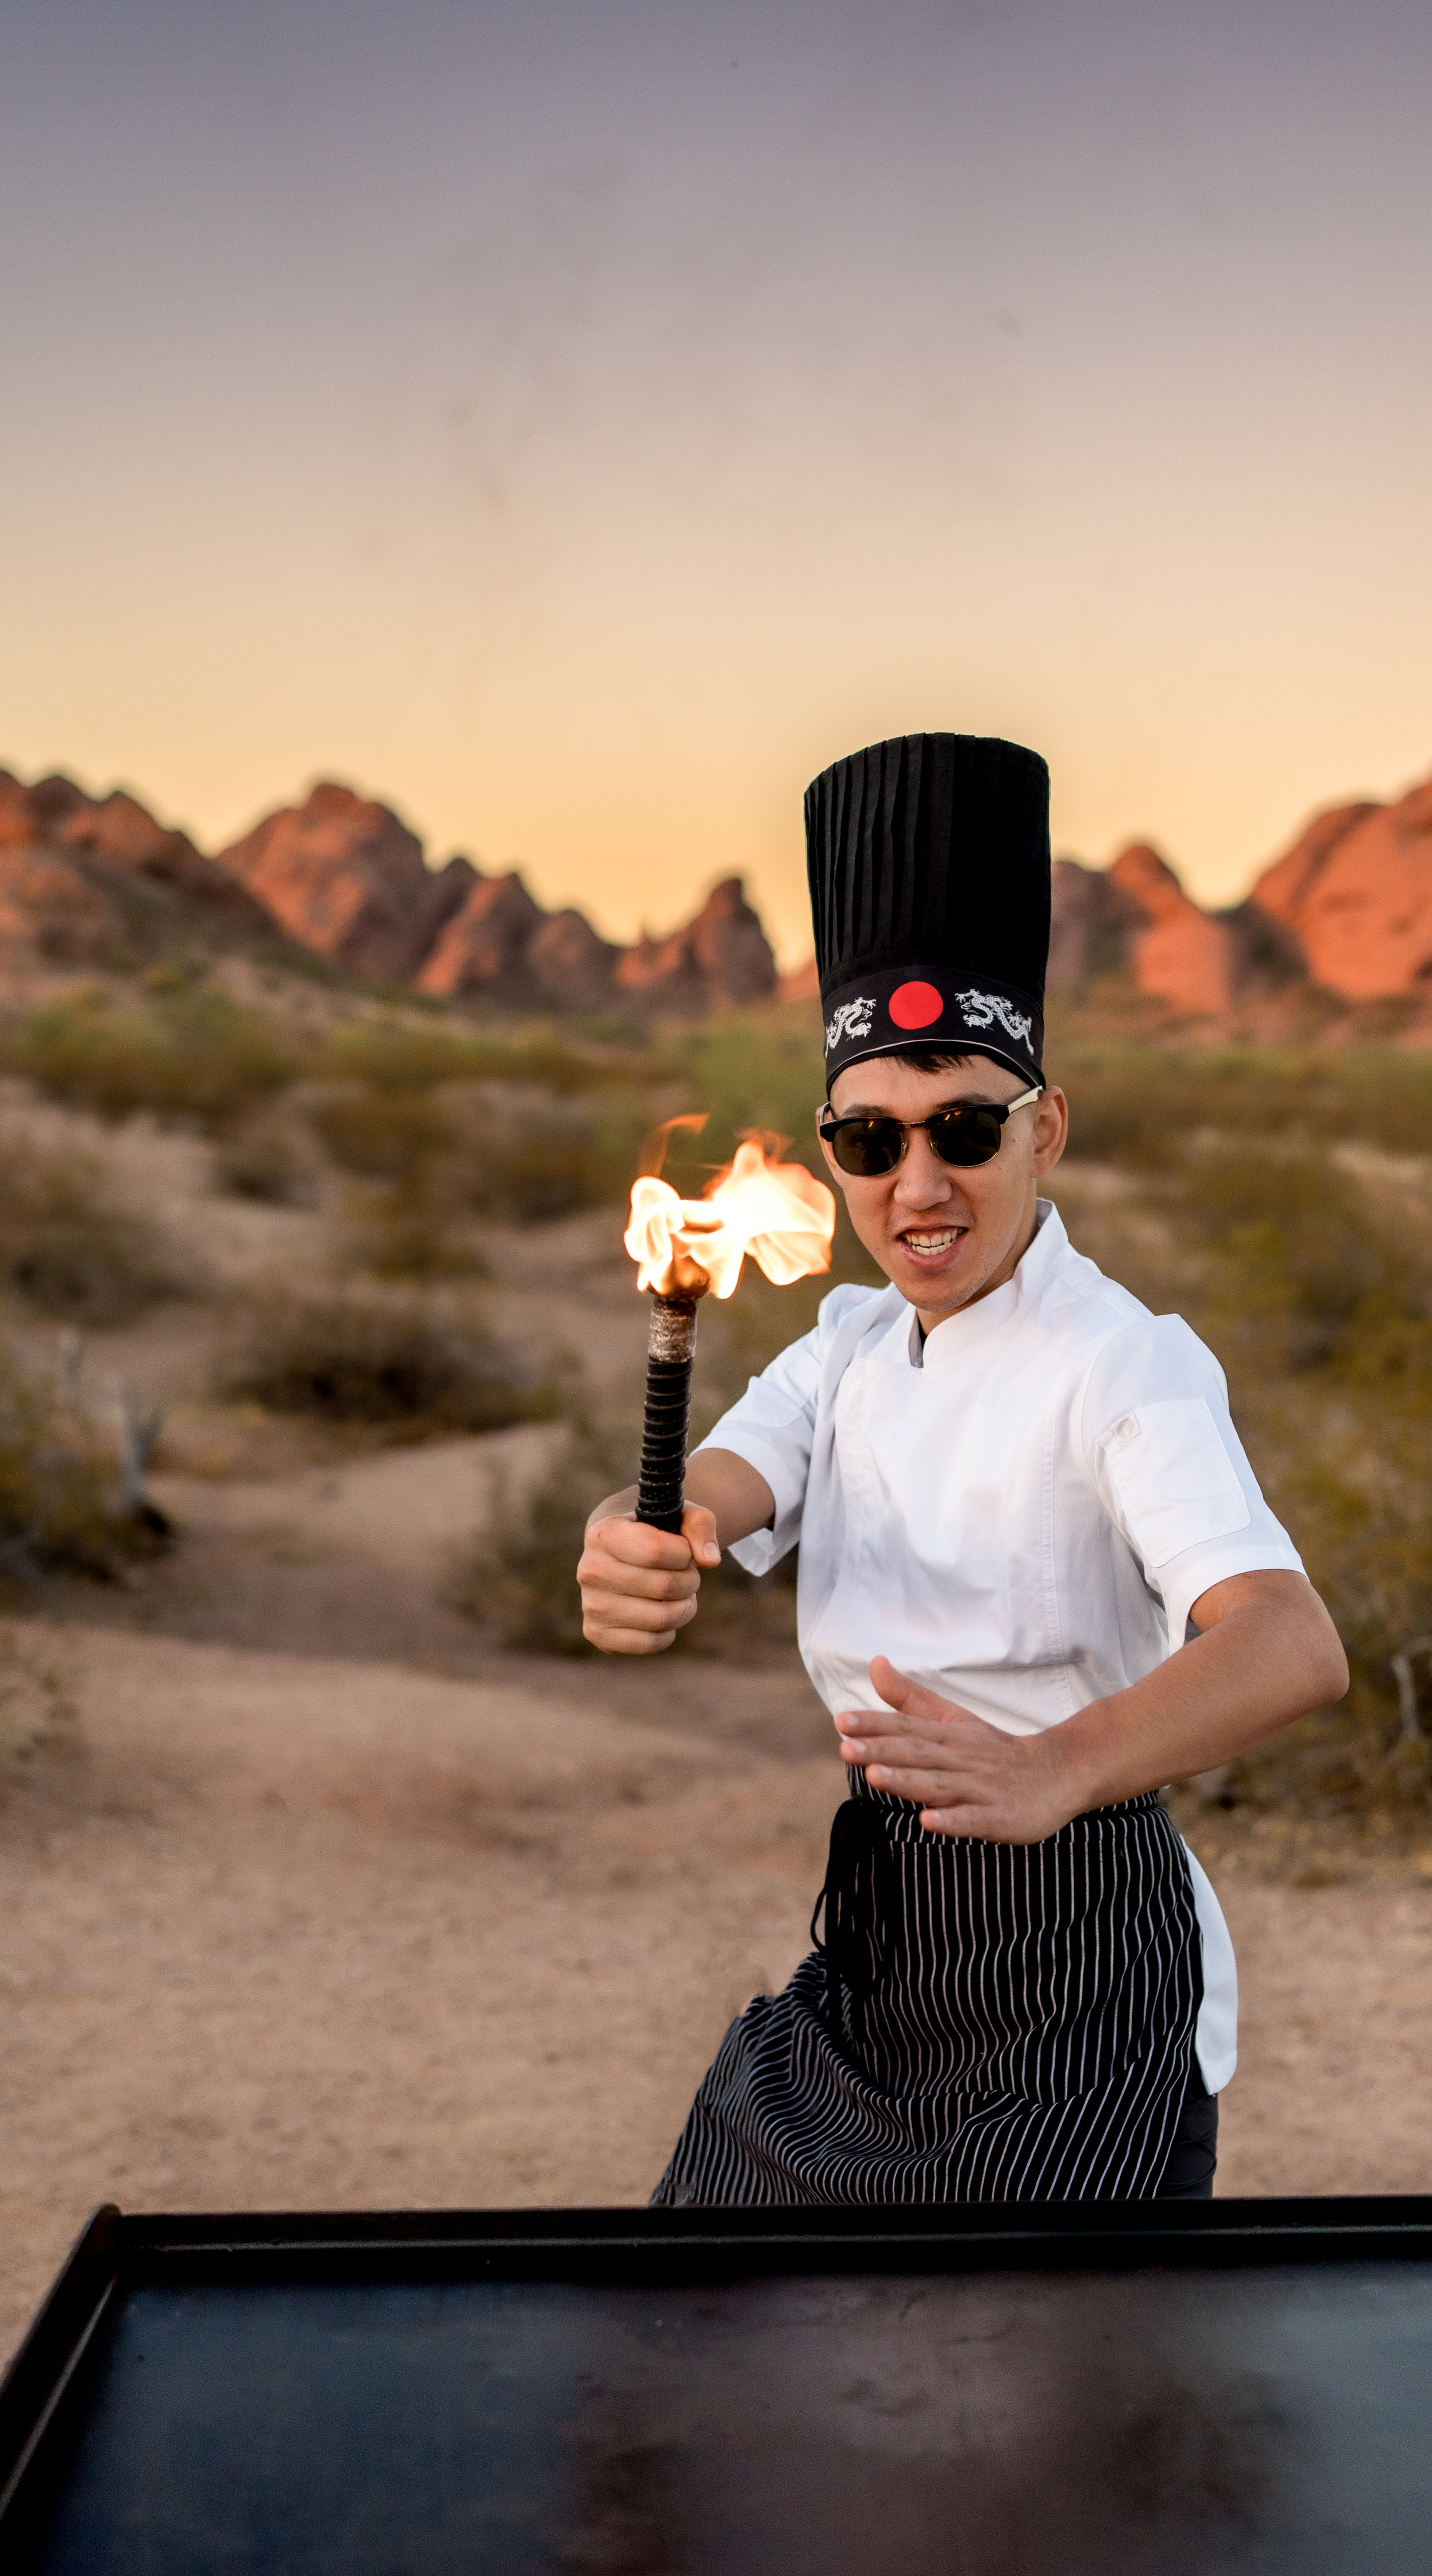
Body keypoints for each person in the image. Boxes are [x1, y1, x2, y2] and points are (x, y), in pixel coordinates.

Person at [579, 732, 1347, 2205]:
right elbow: (706, 1500)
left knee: (1027, 2409)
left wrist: (1055, 1763)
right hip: (881, 1944)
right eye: (871, 1139)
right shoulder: (848, 1342)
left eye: (964, 1129)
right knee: (700, 2323)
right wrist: (631, 1536)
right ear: (830, 1152)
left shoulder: (1124, 1360)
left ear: (1043, 1129)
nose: (917, 1185)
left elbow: (1288, 1645)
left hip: (1078, 1969)